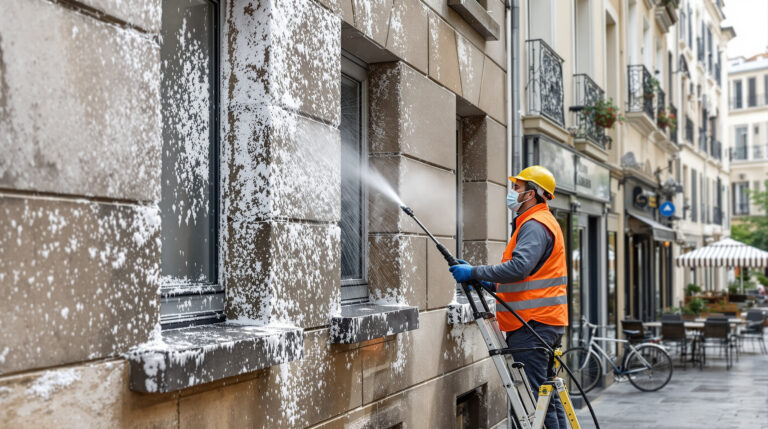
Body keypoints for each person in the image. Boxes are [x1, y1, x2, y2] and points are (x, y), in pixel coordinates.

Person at [449, 165, 568, 428]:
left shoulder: (535, 225)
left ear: (532, 194)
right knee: (545, 397)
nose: (512, 192)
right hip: (542, 323)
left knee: (533, 401)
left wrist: (474, 272)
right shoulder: (540, 222)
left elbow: (519, 268)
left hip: (531, 324)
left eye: (517, 187)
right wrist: (487, 281)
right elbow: (529, 277)